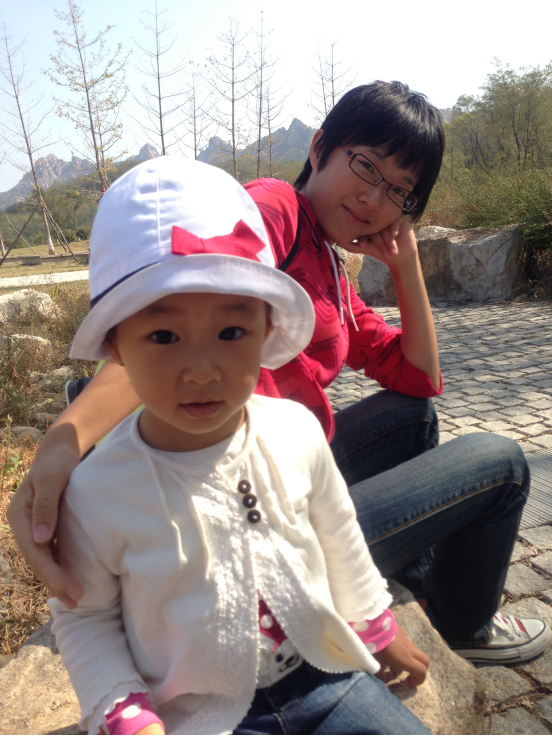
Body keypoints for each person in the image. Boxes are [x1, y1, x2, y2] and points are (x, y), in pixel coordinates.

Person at [8, 81, 550, 663]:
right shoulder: (272, 211)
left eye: (400, 191)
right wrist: (63, 442)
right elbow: (175, 318)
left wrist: (406, 264)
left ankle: (408, 594)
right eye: (366, 166)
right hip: (253, 518)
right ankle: (463, 624)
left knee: (413, 417)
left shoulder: (331, 269)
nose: (374, 198)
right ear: (319, 148)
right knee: (502, 462)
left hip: (293, 477)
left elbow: (418, 379)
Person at [50, 155, 431, 736]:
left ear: (266, 330)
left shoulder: (295, 431)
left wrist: (375, 623)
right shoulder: (97, 490)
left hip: (326, 676)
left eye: (232, 331)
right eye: (163, 335)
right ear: (116, 348)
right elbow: (86, 617)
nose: (202, 369)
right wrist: (123, 710)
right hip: (201, 715)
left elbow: (338, 534)